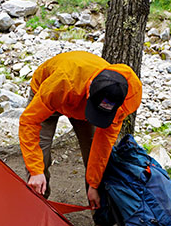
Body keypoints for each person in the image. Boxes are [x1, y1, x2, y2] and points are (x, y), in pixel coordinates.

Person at [19, 50, 143, 209]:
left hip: (80, 100)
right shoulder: (62, 83)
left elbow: (102, 145)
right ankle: (39, 210)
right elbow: (29, 122)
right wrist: (36, 171)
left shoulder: (122, 98)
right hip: (52, 95)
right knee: (39, 160)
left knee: (95, 156)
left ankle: (100, 217)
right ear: (90, 89)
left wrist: (94, 184)